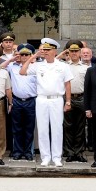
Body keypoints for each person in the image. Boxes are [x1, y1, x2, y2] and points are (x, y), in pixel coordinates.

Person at [20, 38, 73, 167]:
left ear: (55, 51)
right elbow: (22, 71)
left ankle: (56, 157)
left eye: (48, 50)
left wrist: (68, 101)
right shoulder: (38, 65)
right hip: (42, 99)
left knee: (57, 129)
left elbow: (67, 84)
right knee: (42, 129)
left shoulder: (62, 66)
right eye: (44, 50)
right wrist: (35, 56)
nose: (46, 52)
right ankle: (45, 157)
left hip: (56, 99)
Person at [3, 43, 37, 161]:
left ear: (30, 56)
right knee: (16, 128)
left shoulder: (35, 67)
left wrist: (32, 60)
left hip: (31, 101)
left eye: (26, 55)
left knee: (29, 128)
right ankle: (17, 151)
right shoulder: (13, 66)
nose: (24, 56)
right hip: (16, 101)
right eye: (21, 54)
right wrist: (12, 58)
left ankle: (28, 152)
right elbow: (0, 67)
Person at [61, 41, 89, 162]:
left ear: (80, 53)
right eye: (71, 51)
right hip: (68, 98)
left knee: (80, 126)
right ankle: (69, 152)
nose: (74, 53)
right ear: (68, 52)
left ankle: (79, 152)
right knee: (68, 126)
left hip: (82, 98)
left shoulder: (86, 68)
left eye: (76, 51)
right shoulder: (63, 66)